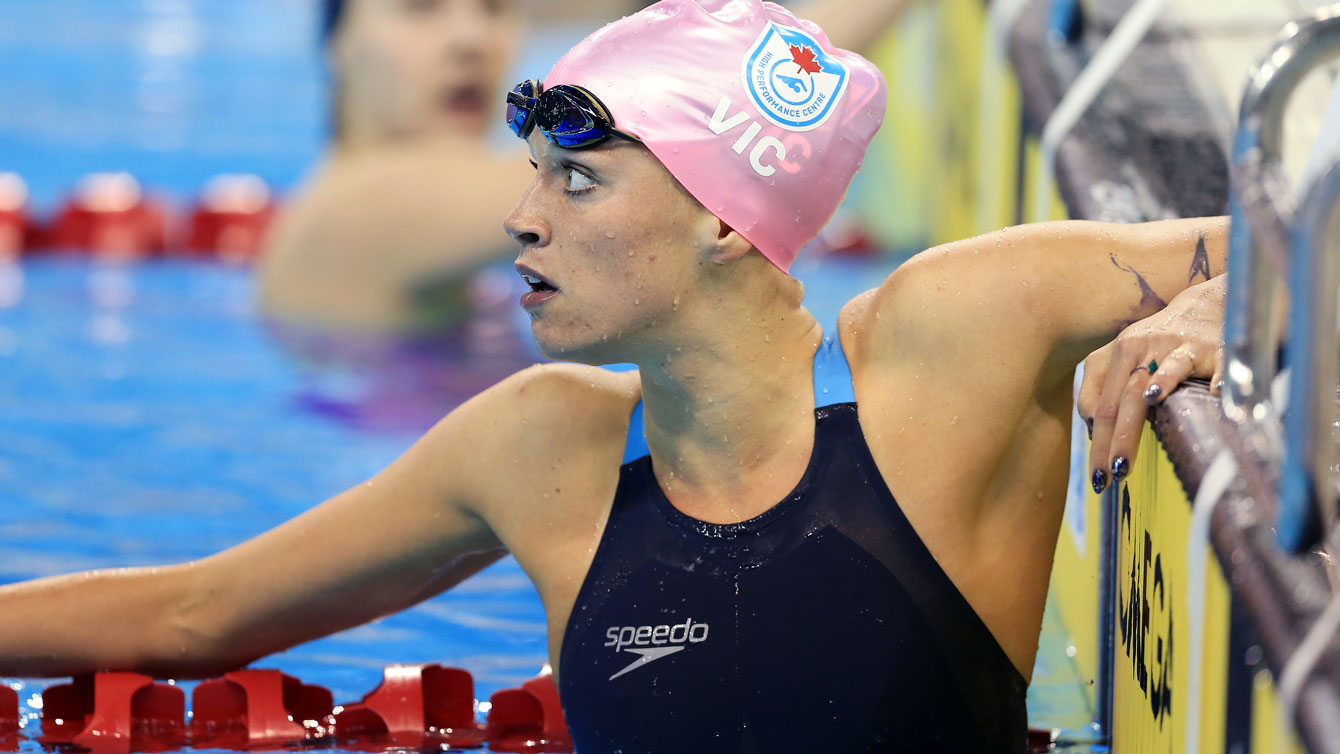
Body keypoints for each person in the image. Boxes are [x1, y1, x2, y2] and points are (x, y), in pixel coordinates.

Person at [0, 1, 1229, 751]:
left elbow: (1287, 237)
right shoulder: (539, 448)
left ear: (729, 222)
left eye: (574, 181)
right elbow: (196, 614)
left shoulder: (951, 337)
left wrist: (1223, 300)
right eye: (532, 174)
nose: (520, 220)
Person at [257, 0, 920, 334]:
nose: (469, 39)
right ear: (336, 43)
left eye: (491, 7)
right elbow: (709, 108)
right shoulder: (361, 206)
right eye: (421, 7)